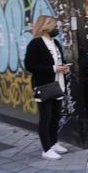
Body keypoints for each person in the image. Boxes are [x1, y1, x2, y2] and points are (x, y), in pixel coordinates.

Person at [24, 15, 70, 160]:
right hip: (44, 86)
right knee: (46, 117)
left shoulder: (55, 42)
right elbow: (30, 66)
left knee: (56, 116)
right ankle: (46, 149)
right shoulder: (35, 44)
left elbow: (59, 61)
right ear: (45, 28)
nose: (57, 29)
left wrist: (64, 67)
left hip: (58, 84)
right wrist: (53, 68)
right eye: (54, 27)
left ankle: (54, 142)